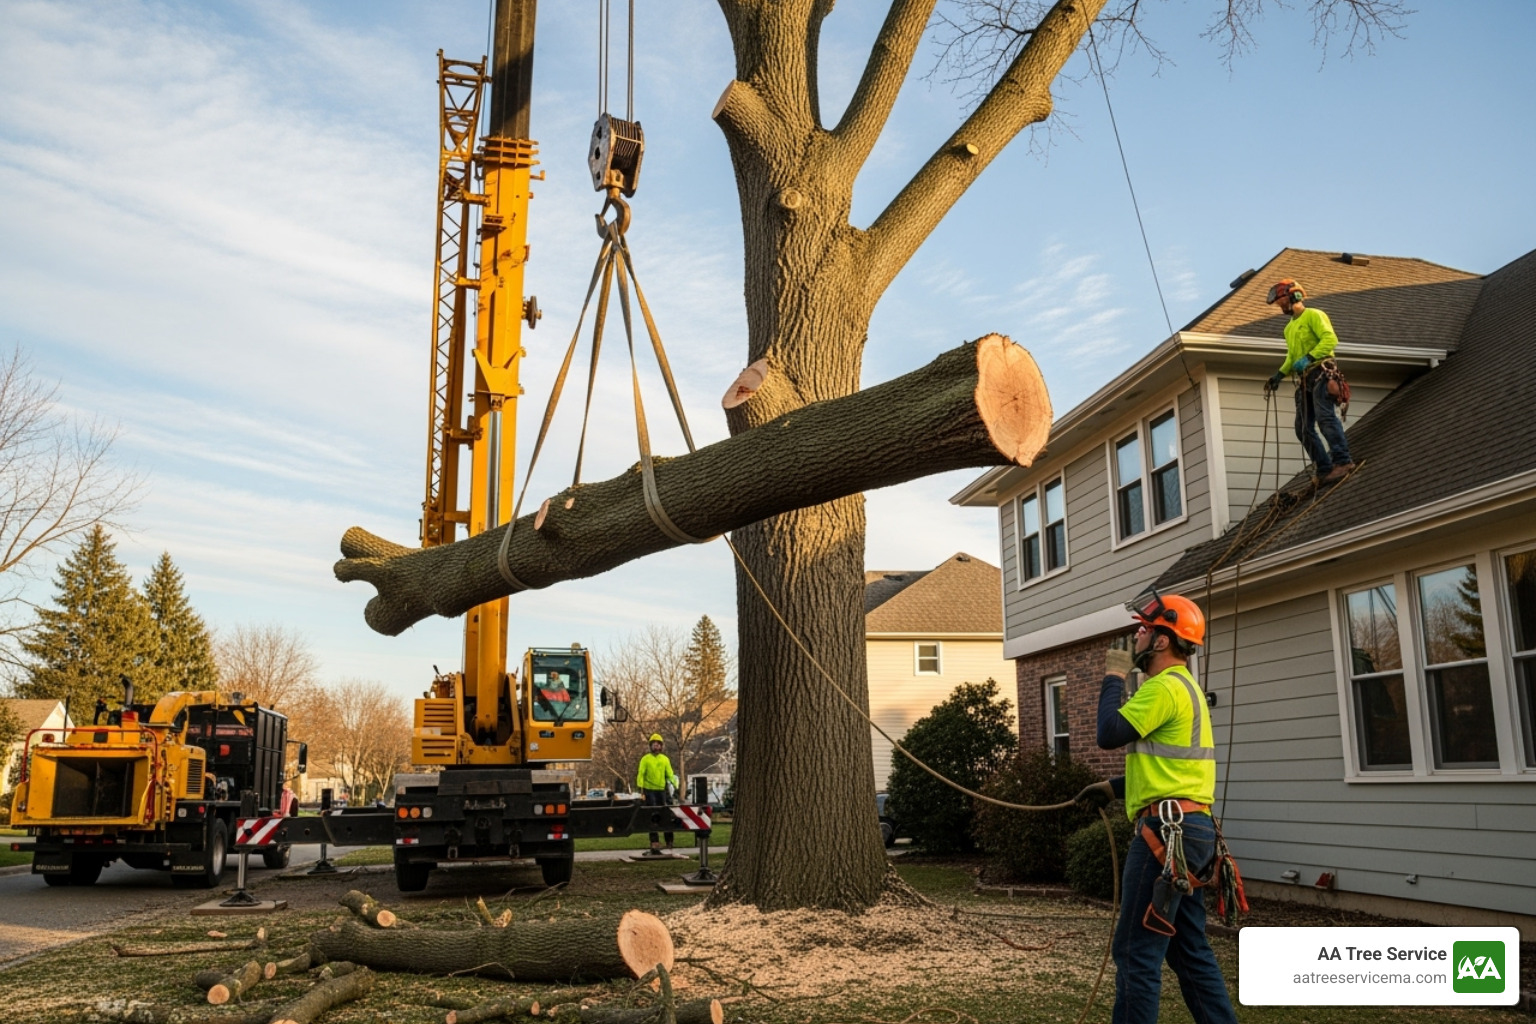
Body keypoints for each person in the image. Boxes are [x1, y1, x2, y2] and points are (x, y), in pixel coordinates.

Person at [1075, 591, 1237, 1024]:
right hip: (1192, 829)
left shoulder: (1162, 687)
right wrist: (1113, 788)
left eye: (1144, 628)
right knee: (1189, 952)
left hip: (1165, 835)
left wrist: (1113, 675)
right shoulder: (1187, 689)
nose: (1136, 635)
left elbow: (1109, 732)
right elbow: (1173, 770)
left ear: (1163, 640)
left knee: (1136, 950)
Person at [1264, 278, 1354, 484]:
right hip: (1305, 380)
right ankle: (1324, 468)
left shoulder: (1314, 315)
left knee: (1325, 418)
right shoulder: (1289, 328)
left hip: (1321, 373)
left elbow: (1330, 339)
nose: (1280, 306)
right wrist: (1279, 374)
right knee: (1303, 428)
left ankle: (1343, 461)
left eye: (1281, 301)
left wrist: (1311, 357)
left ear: (1294, 295)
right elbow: (1292, 357)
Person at [636, 733, 679, 852]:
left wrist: (675, 786)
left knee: (666, 815)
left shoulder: (665, 759)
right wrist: (641, 789)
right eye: (654, 744)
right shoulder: (645, 759)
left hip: (662, 791)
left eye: (658, 744)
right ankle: (654, 841)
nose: (656, 746)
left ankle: (669, 841)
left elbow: (670, 774)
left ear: (661, 746)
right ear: (650, 746)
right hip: (649, 791)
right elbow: (641, 774)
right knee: (652, 816)